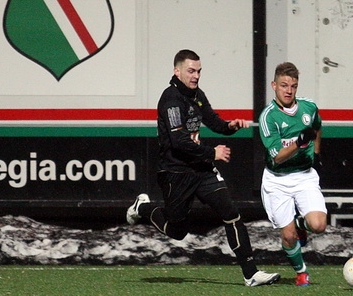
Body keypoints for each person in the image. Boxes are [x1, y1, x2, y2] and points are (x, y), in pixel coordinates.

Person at [126, 49, 280, 287]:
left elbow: (213, 121)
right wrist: (213, 152)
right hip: (175, 172)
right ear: (177, 72)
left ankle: (251, 273)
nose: (196, 75)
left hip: (201, 170)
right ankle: (143, 207)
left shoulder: (197, 95)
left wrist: (230, 126)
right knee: (177, 231)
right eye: (190, 71)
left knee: (231, 213)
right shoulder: (171, 100)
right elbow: (178, 142)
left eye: (198, 71)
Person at [258, 62, 328, 286]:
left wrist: (315, 152)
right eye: (284, 85)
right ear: (274, 85)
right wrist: (300, 142)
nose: (288, 90)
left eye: (293, 86)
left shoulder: (308, 108)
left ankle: (301, 225)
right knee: (288, 237)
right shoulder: (268, 117)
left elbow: (316, 127)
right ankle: (301, 272)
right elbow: (277, 156)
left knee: (318, 225)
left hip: (304, 175)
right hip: (277, 180)